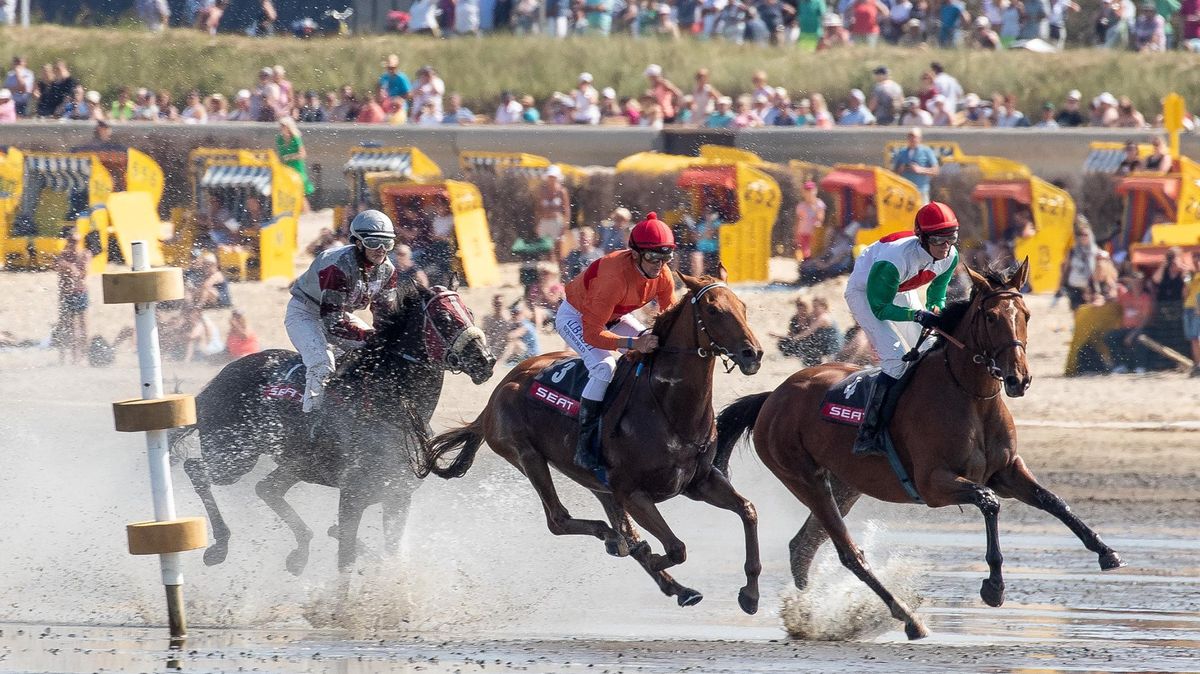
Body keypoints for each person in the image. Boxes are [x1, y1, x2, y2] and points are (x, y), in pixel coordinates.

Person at [557, 212, 676, 482]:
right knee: (604, 366)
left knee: (658, 350)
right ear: (635, 255)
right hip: (577, 317)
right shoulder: (613, 279)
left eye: (665, 258)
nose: (660, 266)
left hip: (615, 316)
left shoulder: (663, 274)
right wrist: (634, 343)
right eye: (653, 258)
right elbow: (593, 334)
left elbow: (670, 317)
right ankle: (584, 444)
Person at [844, 201, 960, 456]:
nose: (946, 246)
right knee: (896, 358)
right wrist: (917, 314)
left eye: (951, 238)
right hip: (867, 294)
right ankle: (869, 431)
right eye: (940, 240)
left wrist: (936, 309)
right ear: (923, 238)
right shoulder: (893, 260)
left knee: (931, 350)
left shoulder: (950, 255)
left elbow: (937, 292)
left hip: (901, 288)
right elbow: (880, 308)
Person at [285, 210, 399, 414]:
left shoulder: (388, 270)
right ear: (358, 242)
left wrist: (385, 338)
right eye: (374, 243)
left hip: (341, 314)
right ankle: (311, 418)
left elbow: (384, 316)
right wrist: (369, 336)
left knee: (381, 353)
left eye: (387, 244)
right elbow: (332, 324)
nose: (381, 250)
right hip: (306, 313)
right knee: (322, 363)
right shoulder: (337, 266)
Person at [55, 229, 92, 365]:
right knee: (68, 328)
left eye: (75, 241)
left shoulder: (84, 254)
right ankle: (69, 358)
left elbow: (84, 274)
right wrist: (71, 267)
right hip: (67, 295)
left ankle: (83, 357)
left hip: (80, 293)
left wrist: (72, 267)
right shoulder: (64, 256)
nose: (73, 243)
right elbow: (59, 267)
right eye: (71, 240)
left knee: (83, 328)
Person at [1058, 219, 1100, 310]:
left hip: (1088, 290)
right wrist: (1060, 286)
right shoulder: (1073, 251)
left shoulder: (1095, 253)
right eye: (1080, 235)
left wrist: (1096, 291)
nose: (1083, 237)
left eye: (1085, 235)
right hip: (1073, 288)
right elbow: (1066, 269)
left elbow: (1096, 273)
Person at [892, 127, 940, 204]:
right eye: (910, 137)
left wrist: (920, 170)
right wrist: (900, 169)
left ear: (920, 138)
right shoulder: (902, 152)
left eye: (915, 137)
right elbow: (894, 173)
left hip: (921, 191)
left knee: (923, 214)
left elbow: (936, 171)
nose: (913, 139)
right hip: (905, 192)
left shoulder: (926, 151)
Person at [534, 165, 571, 262]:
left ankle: (560, 271)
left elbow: (566, 210)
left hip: (557, 222)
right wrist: (537, 223)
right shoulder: (542, 191)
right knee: (545, 247)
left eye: (553, 177)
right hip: (545, 221)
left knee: (558, 247)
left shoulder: (562, 191)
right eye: (550, 177)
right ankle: (546, 271)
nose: (551, 179)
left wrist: (565, 226)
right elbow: (538, 209)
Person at [276, 116, 313, 211]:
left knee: (300, 192)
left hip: (297, 167)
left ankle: (306, 212)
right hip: (286, 168)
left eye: (283, 126)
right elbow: (279, 154)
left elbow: (302, 154)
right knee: (289, 192)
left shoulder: (295, 138)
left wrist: (290, 157)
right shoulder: (279, 139)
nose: (282, 128)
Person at [794, 180, 827, 262]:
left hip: (814, 233)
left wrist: (813, 207)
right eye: (807, 191)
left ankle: (809, 264)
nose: (809, 194)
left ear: (815, 191)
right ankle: (805, 264)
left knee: (812, 251)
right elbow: (798, 220)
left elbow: (820, 218)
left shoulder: (819, 204)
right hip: (803, 232)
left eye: (811, 191)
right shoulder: (801, 206)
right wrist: (796, 233)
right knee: (803, 251)